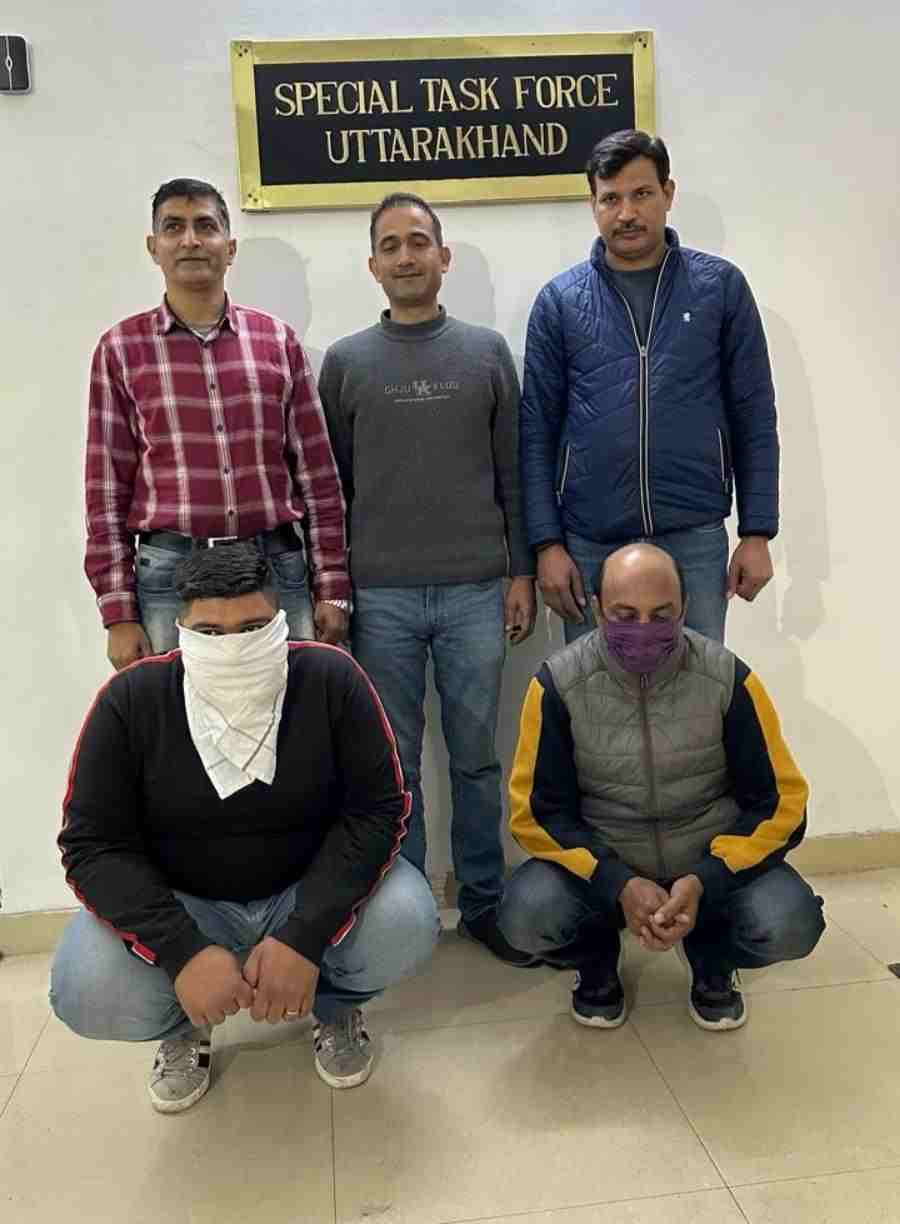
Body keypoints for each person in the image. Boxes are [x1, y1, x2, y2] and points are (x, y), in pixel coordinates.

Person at [51, 544, 439, 1111]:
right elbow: (92, 845)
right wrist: (182, 951)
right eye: (209, 632)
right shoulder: (130, 701)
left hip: (300, 891)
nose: (232, 649)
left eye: (253, 629)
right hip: (189, 904)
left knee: (408, 919)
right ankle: (187, 1023)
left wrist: (305, 935)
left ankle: (333, 1006)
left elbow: (377, 810)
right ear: (179, 627)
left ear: (282, 621)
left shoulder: (332, 679)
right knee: (83, 985)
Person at [318, 193, 536, 966]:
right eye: (390, 245)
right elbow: (331, 489)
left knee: (477, 757)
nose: (405, 256)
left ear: (443, 257)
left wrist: (519, 571)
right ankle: (403, 914)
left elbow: (515, 473)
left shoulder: (486, 353)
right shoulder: (345, 364)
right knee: (395, 765)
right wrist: (334, 591)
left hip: (478, 590)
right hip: (381, 600)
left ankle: (483, 902)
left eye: (419, 242)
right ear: (372, 265)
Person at [498, 542, 824, 1030]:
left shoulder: (728, 677)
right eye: (625, 615)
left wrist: (706, 878)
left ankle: (712, 957)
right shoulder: (556, 684)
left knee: (791, 922)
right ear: (597, 609)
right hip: (607, 862)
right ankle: (596, 960)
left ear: (685, 609)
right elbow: (537, 813)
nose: (643, 629)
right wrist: (617, 882)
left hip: (706, 859)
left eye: (661, 614)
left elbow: (781, 803)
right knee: (524, 916)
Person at [521, 130, 779, 645]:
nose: (626, 213)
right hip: (589, 541)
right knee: (593, 690)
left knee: (699, 686)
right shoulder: (560, 302)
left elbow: (753, 414)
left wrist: (757, 532)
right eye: (610, 198)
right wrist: (547, 544)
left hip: (694, 536)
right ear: (593, 204)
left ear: (668, 193)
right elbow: (535, 434)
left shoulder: (719, 289)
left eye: (641, 194)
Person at [84, 177, 350, 670]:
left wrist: (332, 586)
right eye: (174, 227)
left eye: (205, 226)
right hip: (170, 576)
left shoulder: (278, 342)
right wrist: (118, 612)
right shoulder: (120, 350)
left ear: (229, 248)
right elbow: (106, 493)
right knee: (177, 714)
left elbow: (318, 478)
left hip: (276, 568)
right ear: (153, 247)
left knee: (292, 707)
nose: (190, 240)